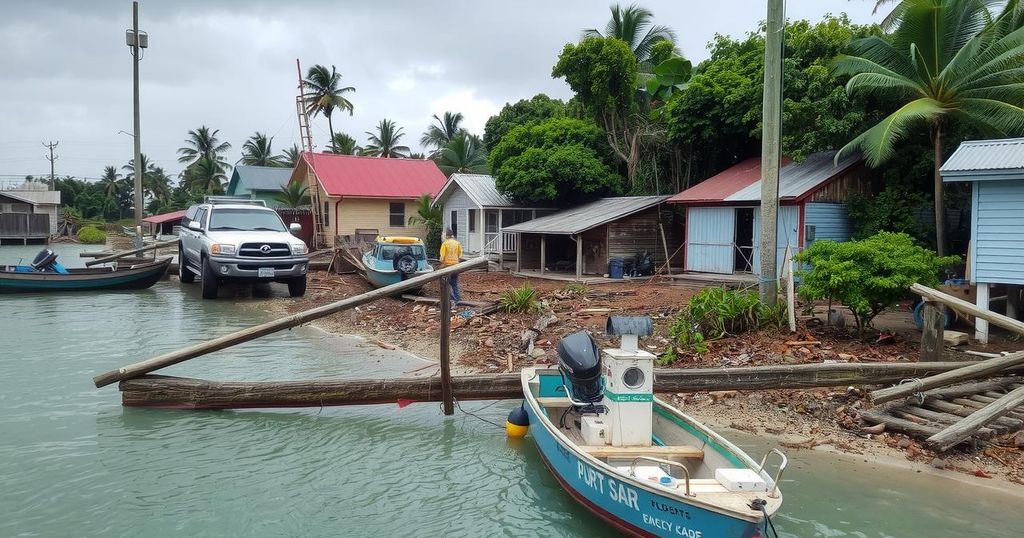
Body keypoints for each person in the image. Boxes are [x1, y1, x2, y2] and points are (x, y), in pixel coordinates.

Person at [439, 228, 463, 304]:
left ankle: (449, 298)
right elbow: (460, 255)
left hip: (447, 266)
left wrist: (441, 263)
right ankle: (457, 299)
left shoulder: (445, 244)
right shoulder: (457, 243)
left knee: (445, 283)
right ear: (452, 235)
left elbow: (442, 257)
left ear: (446, 235)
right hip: (456, 266)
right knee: (454, 283)